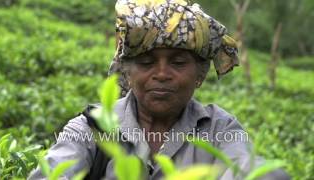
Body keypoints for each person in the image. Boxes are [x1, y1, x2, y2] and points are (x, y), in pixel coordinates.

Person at [29, 0, 290, 179]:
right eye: (146, 62)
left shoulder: (219, 129)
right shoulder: (92, 128)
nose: (162, 74)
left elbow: (251, 168)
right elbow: (54, 171)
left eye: (178, 62)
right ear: (128, 74)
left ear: (200, 75)